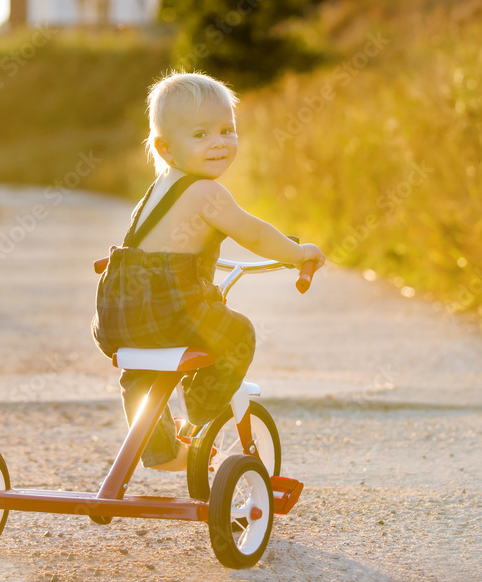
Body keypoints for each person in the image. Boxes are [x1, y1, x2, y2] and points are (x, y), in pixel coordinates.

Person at [92, 71, 325, 472]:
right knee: (237, 335)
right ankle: (199, 413)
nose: (219, 142)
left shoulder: (158, 189)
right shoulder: (207, 192)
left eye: (226, 130)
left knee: (141, 371)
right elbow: (253, 233)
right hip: (170, 312)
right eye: (200, 135)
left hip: (118, 316)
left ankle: (162, 452)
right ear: (165, 149)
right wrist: (297, 252)